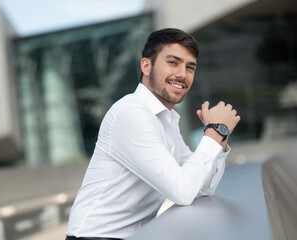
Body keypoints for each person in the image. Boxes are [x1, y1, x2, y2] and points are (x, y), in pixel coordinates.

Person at [66, 28, 241, 240]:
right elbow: (182, 192)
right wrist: (215, 132)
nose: (182, 74)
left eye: (190, 67)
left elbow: (203, 188)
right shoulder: (131, 113)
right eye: (173, 62)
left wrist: (220, 138)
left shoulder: (166, 119)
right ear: (146, 66)